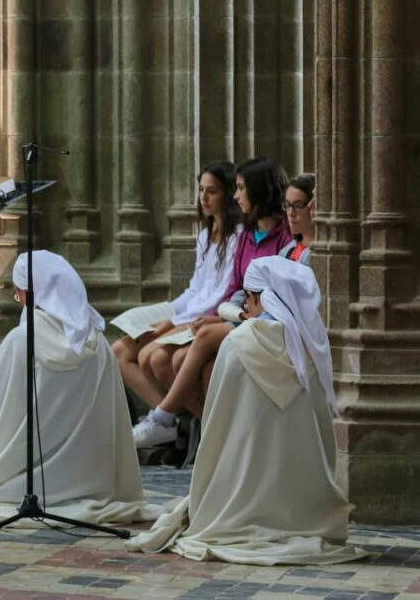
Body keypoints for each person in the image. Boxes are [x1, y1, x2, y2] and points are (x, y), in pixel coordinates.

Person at [125, 257, 367, 565]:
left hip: (244, 492)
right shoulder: (310, 346)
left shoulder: (240, 342)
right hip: (305, 506)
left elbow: (219, 424)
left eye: (247, 299)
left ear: (256, 299)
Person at [0, 251, 161, 526]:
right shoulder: (97, 344)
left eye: (19, 292)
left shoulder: (22, 341)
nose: (18, 299)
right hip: (92, 483)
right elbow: (111, 425)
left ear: (31, 293)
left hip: (21, 484)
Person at [133, 157, 294, 447]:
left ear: (259, 190)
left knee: (200, 338)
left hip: (266, 323)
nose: (236, 196)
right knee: (181, 358)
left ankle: (164, 418)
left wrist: (222, 318)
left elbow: (282, 294)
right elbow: (234, 287)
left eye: (242, 188)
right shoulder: (247, 236)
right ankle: (216, 438)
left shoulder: (283, 238)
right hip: (239, 317)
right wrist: (224, 314)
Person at [112, 161, 242, 422]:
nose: (203, 197)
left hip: (210, 316)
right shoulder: (206, 235)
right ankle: (175, 424)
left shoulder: (237, 236)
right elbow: (196, 289)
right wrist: (168, 311)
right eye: (201, 189)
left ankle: (193, 421)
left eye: (212, 191)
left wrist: (173, 321)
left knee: (153, 358)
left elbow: (217, 297)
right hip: (189, 312)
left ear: (228, 194)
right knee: (118, 352)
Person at [279, 173, 316, 265]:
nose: (291, 213)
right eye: (287, 205)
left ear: (313, 206)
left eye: (298, 205)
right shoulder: (286, 251)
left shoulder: (322, 254)